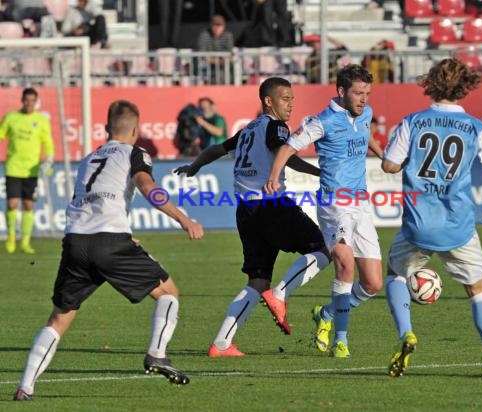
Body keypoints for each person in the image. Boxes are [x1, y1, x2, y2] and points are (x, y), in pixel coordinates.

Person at [13, 100, 204, 401]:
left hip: (76, 241)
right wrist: (183, 218)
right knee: (168, 293)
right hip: (110, 242)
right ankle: (157, 354)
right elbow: (146, 185)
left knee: (58, 320)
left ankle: (25, 386)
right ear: (137, 130)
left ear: (106, 129)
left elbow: (88, 202)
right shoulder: (136, 153)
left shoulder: (89, 158)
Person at [174, 77, 331, 356]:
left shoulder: (248, 129)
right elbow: (285, 152)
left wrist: (195, 165)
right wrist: (319, 172)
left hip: (246, 212)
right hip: (271, 204)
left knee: (257, 281)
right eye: (285, 98)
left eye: (292, 98)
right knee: (323, 248)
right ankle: (280, 294)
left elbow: (217, 149)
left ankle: (221, 343)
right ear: (268, 101)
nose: (291, 104)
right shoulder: (275, 127)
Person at [381, 58, 482, 378]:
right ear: (465, 87)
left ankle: (406, 333)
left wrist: (399, 161)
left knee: (396, 274)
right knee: (478, 289)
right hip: (459, 225)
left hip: (418, 223)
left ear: (431, 84)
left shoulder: (413, 122)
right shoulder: (478, 128)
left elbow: (390, 166)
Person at [265, 65, 384, 358]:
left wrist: (385, 156)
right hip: (334, 204)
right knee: (344, 261)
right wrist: (273, 176)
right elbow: (287, 148)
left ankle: (327, 315)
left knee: (372, 283)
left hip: (361, 205)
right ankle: (340, 341)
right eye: (358, 93)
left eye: (367, 93)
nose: (364, 99)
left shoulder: (365, 114)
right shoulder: (322, 121)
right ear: (341, 91)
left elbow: (367, 133)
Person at [0, 88, 54, 254]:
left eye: (32, 101)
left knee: (28, 204)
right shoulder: (11, 118)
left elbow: (48, 141)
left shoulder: (41, 121)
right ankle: (10, 237)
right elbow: (1, 134)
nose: (29, 104)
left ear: (36, 102)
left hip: (32, 170)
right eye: (26, 100)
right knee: (12, 203)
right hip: (13, 167)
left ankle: (25, 241)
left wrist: (50, 159)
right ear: (22, 101)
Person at [197, 14, 234, 84]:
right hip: (207, 67)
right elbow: (202, 55)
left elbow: (230, 54)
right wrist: (216, 61)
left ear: (224, 26)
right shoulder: (204, 35)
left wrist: (222, 60)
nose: (217, 28)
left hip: (224, 67)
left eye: (219, 25)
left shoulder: (228, 36)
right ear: (211, 25)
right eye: (215, 25)